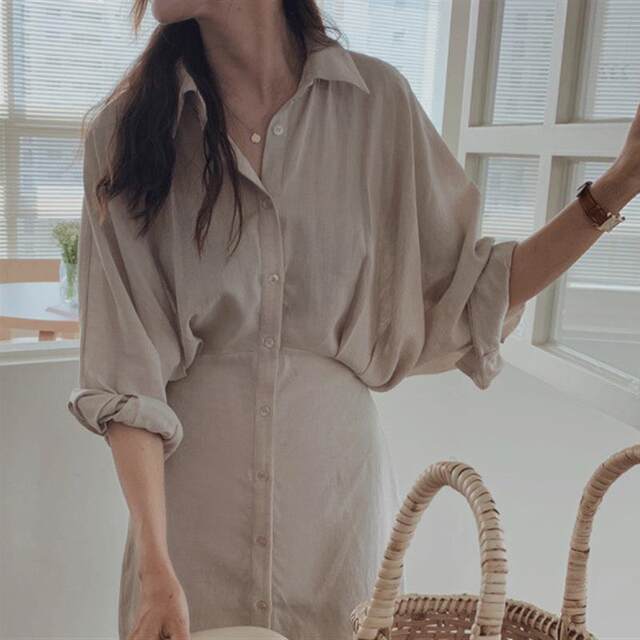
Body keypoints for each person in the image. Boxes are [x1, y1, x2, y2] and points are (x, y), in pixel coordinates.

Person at [66, 1, 640, 639]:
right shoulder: (125, 133)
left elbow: (478, 289)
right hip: (189, 537)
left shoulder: (377, 106)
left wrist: (620, 182)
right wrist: (155, 566)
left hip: (335, 522)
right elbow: (126, 376)